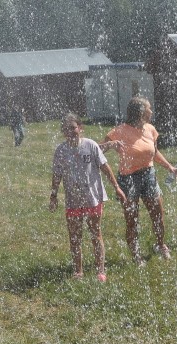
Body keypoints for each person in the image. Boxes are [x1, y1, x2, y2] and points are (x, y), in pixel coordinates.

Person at [101, 96, 177, 266]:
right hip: (128, 178)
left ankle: (161, 245)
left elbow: (154, 152)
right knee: (132, 219)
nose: (151, 111)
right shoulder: (120, 131)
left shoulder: (151, 129)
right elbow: (98, 150)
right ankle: (136, 255)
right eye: (149, 108)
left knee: (158, 214)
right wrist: (111, 144)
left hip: (149, 175)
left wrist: (169, 167)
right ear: (141, 112)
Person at [49, 113, 126, 281]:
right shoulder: (61, 151)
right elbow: (57, 175)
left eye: (73, 128)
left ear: (80, 128)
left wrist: (117, 188)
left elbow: (105, 168)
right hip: (73, 201)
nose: (70, 131)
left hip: (92, 198)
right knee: (75, 236)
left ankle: (101, 270)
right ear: (62, 131)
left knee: (95, 233)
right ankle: (78, 271)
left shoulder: (90, 146)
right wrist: (53, 195)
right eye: (66, 129)